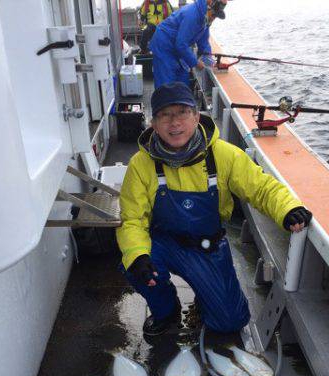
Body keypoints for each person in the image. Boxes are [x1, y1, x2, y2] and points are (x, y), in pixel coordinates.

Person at [116, 83, 312, 336]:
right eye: (165, 115)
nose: (174, 122)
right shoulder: (140, 164)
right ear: (153, 123)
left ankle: (206, 296)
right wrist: (139, 255)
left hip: (207, 248)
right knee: (133, 264)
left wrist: (289, 209)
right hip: (163, 242)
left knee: (229, 322)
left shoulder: (224, 154)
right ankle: (167, 310)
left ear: (197, 117)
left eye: (182, 112)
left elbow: (262, 188)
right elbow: (132, 218)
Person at [149, 0, 227, 88]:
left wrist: (208, 58)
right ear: (208, 8)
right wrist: (196, 63)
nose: (213, 18)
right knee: (166, 84)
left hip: (178, 48)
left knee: (183, 81)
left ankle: (181, 99)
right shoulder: (192, 15)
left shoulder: (205, 19)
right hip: (164, 46)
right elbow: (181, 44)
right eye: (213, 15)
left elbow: (203, 41)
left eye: (216, 16)